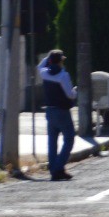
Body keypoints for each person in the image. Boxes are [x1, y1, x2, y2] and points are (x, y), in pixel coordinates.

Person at [37, 48, 77, 181]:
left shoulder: (44, 73)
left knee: (52, 141)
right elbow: (70, 95)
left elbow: (39, 66)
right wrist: (75, 91)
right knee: (69, 139)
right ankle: (57, 168)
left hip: (49, 110)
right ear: (60, 62)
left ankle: (55, 169)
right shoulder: (63, 76)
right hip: (62, 111)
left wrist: (49, 57)